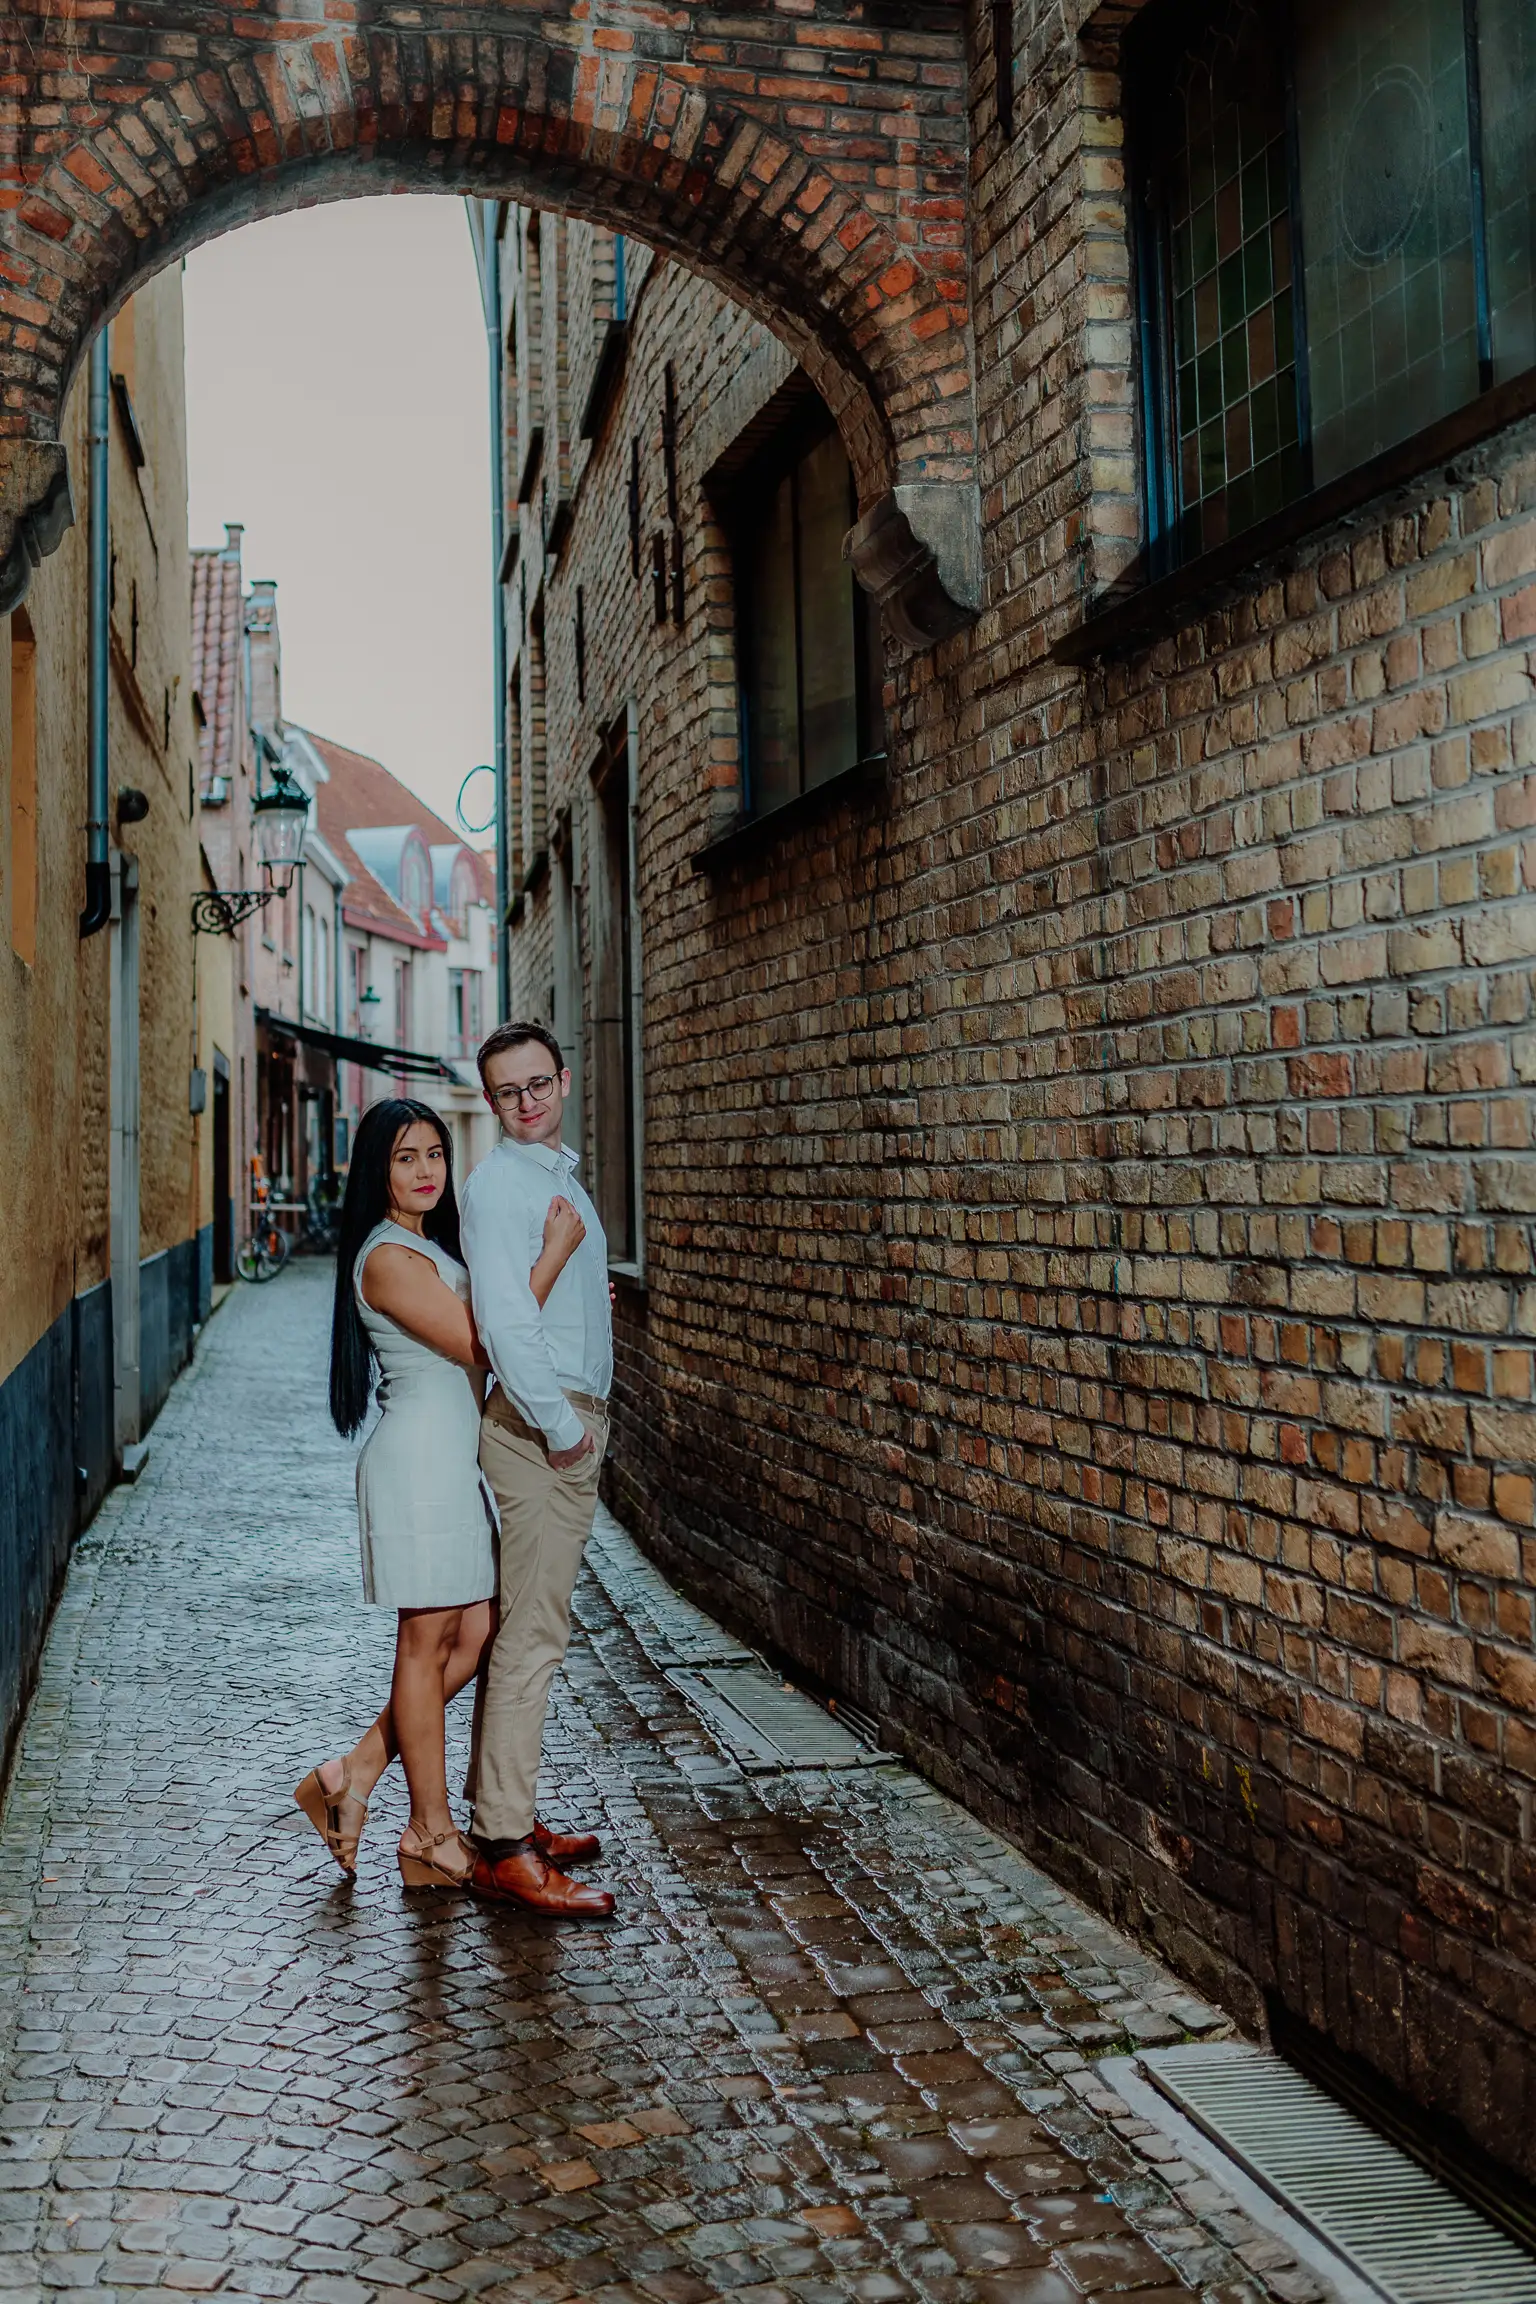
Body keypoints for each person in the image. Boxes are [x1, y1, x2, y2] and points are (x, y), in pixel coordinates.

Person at [294, 1097, 588, 1890]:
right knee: (424, 1647)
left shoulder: (430, 1246)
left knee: (479, 1633)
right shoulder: (386, 1258)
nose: (426, 1171)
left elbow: (496, 1321)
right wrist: (555, 1254)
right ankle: (428, 1831)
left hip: (452, 1466)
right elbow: (481, 1343)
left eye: (433, 1154)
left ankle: (354, 1773)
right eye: (404, 1158)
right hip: (417, 1465)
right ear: (375, 1173)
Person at [457, 1021, 616, 1918]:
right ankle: (506, 1848)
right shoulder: (498, 1187)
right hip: (538, 1428)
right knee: (532, 1638)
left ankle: (502, 1815)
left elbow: (550, 1304)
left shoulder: (555, 1179)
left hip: (559, 1417)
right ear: (491, 1101)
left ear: (562, 1079)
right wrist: (560, 1429)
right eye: (508, 1092)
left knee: (528, 1630)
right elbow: (508, 1325)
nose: (526, 1101)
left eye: (537, 1084)